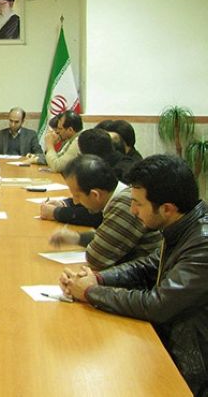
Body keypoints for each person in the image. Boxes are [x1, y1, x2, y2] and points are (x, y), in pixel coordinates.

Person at [59, 155, 208, 395]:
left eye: (138, 203)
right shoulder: (182, 226)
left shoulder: (202, 243)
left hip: (192, 363)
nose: (132, 210)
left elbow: (158, 305)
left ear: (167, 208)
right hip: (172, 341)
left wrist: (90, 292)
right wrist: (99, 279)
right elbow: (148, 265)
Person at [47, 155, 161, 270]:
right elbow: (107, 238)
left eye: (77, 196)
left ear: (95, 195)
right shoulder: (121, 196)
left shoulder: (124, 204)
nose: (75, 202)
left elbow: (96, 259)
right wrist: (76, 238)